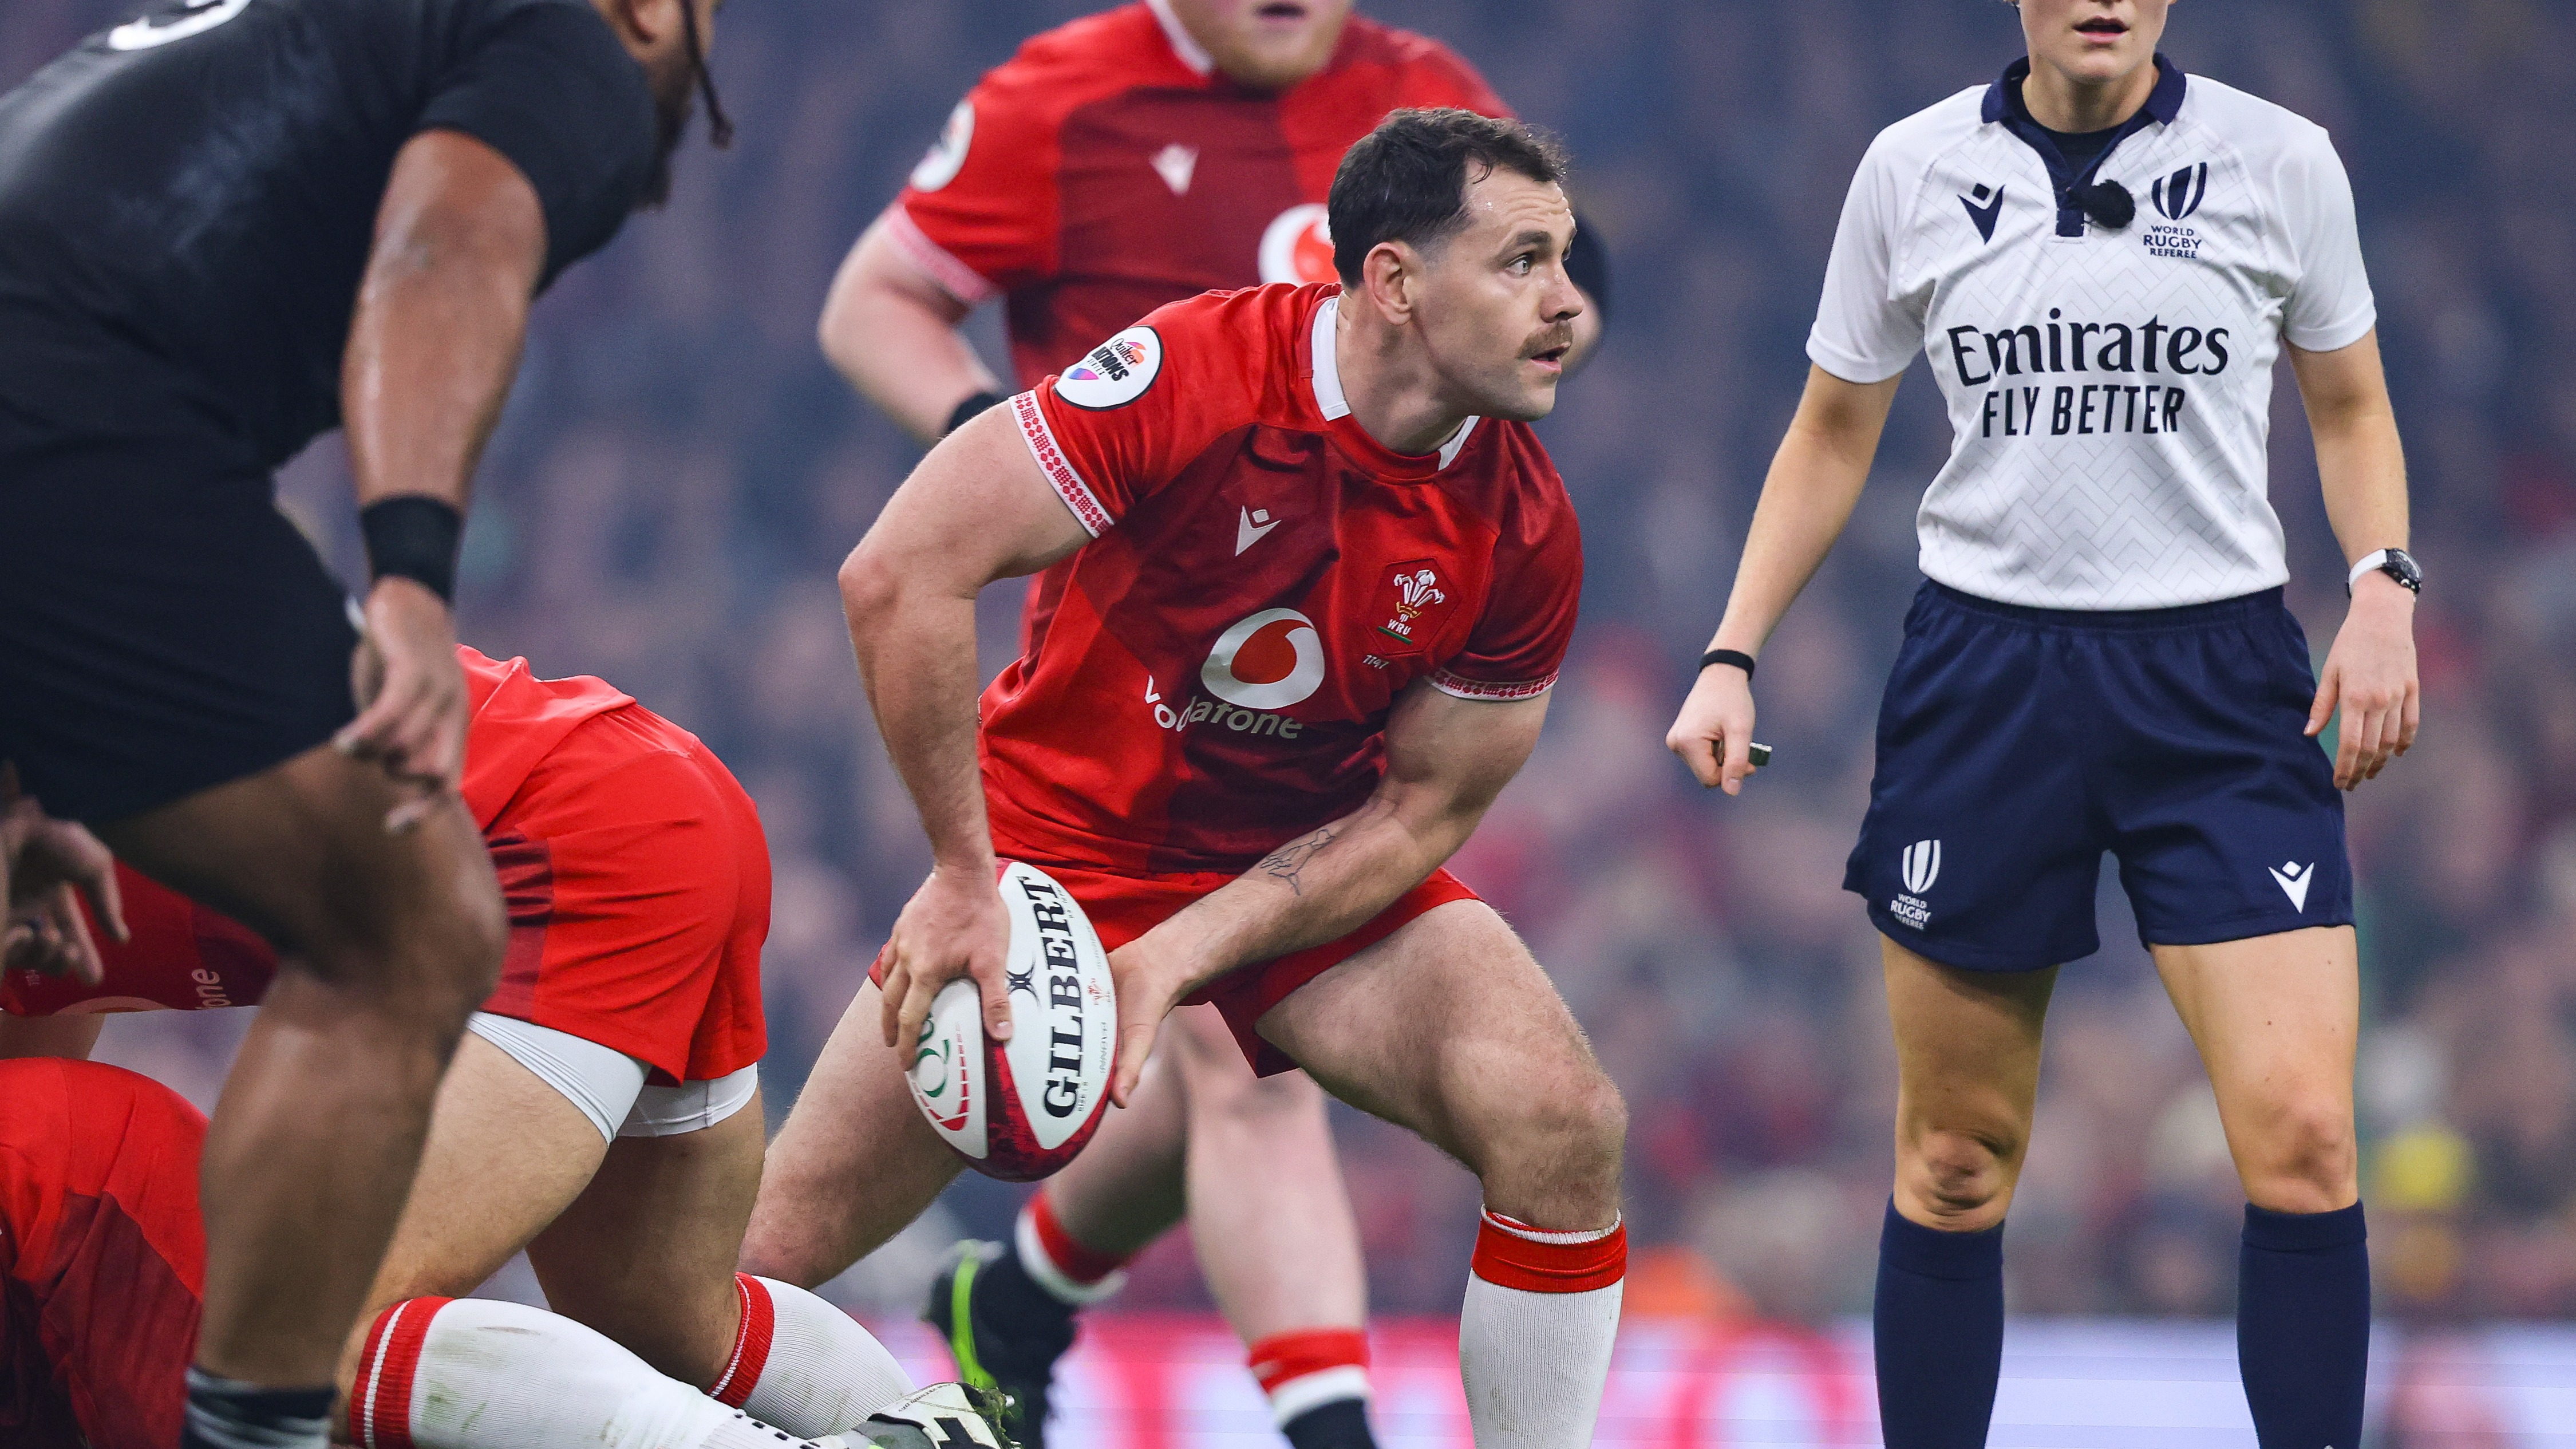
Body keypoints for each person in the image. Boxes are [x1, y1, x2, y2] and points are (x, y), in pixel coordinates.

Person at [747, 108, 1630, 1449]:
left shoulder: (1527, 527)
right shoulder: (1194, 371)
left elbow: (1423, 814)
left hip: (1305, 857)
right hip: (1054, 846)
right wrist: (962, 874)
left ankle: (1030, 1300)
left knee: (1565, 1125)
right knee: (754, 1266)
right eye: (1522, 263)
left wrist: (1180, 956)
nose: (1569, 303)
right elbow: (898, 572)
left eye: (1565, 264)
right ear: (1392, 283)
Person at [1664, 3, 2410, 1447]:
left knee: (2310, 1146)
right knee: (1953, 1163)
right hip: (1988, 679)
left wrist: (2383, 585)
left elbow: (2355, 403)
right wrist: (1731, 649)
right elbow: (1831, 428)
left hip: (2222, 680)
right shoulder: (1910, 169)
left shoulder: (2281, 159)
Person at [0, 0, 731, 1442]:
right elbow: (444, 252)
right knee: (409, 925)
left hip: (60, 425)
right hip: (76, 426)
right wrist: (407, 571)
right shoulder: (569, 41)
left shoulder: (293, 36)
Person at [0, 645, 999, 1449]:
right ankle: (930, 1428)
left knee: (315, 1334)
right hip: (657, 801)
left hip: (565, 850)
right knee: (667, 1315)